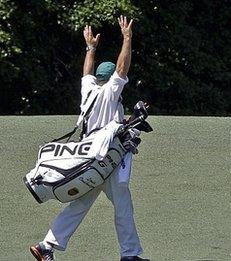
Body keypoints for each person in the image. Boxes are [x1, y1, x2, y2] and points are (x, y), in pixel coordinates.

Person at [29, 16, 149, 261]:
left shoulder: (89, 89)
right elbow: (122, 69)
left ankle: (46, 246)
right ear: (111, 81)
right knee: (123, 207)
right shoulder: (109, 91)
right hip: (108, 159)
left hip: (90, 160)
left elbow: (86, 72)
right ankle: (130, 255)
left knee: (80, 205)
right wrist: (127, 38)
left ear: (97, 78)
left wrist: (90, 48)